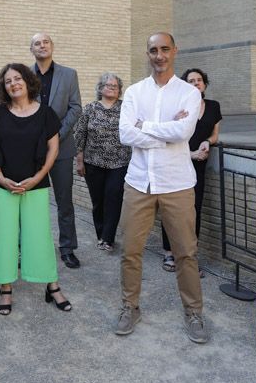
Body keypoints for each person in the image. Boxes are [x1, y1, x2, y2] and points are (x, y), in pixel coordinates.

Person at [114, 32, 207, 344]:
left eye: (165, 49)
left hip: (177, 183)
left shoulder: (188, 93)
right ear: (148, 53)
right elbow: (125, 134)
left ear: (175, 51)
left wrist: (145, 126)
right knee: (130, 250)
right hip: (138, 181)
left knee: (186, 252)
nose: (159, 55)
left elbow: (184, 131)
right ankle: (130, 306)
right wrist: (165, 130)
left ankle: (194, 312)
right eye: (153, 50)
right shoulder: (135, 91)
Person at [0, 63, 72, 316]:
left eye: (17, 78)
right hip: (3, 185)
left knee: (39, 236)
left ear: (27, 81)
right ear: (4, 86)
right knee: (4, 237)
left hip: (35, 184)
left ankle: (52, 285)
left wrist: (38, 177)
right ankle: (6, 289)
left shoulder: (46, 114)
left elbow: (53, 149)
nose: (13, 84)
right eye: (8, 81)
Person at [161, 68, 221, 276]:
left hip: (198, 167)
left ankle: (190, 256)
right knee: (171, 209)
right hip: (176, 163)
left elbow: (214, 133)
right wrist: (191, 153)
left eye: (199, 80)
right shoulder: (179, 105)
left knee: (193, 211)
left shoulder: (213, 106)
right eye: (191, 81)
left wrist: (207, 142)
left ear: (205, 83)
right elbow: (169, 136)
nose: (196, 83)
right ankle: (169, 252)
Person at [30, 32, 82, 268]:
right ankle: (31, 247)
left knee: (64, 200)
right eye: (37, 43)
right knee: (32, 202)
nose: (42, 46)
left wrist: (56, 136)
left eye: (46, 42)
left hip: (61, 148)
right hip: (31, 149)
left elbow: (75, 107)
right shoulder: (24, 76)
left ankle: (68, 248)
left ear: (52, 46)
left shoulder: (69, 74)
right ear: (32, 50)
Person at [73, 72, 131, 252]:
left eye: (115, 86)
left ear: (120, 90)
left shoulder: (126, 108)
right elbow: (80, 136)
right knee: (98, 201)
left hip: (119, 163)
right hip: (93, 162)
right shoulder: (90, 109)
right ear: (100, 88)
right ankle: (101, 234)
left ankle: (108, 239)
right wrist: (80, 162)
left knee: (114, 198)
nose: (112, 88)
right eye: (108, 85)